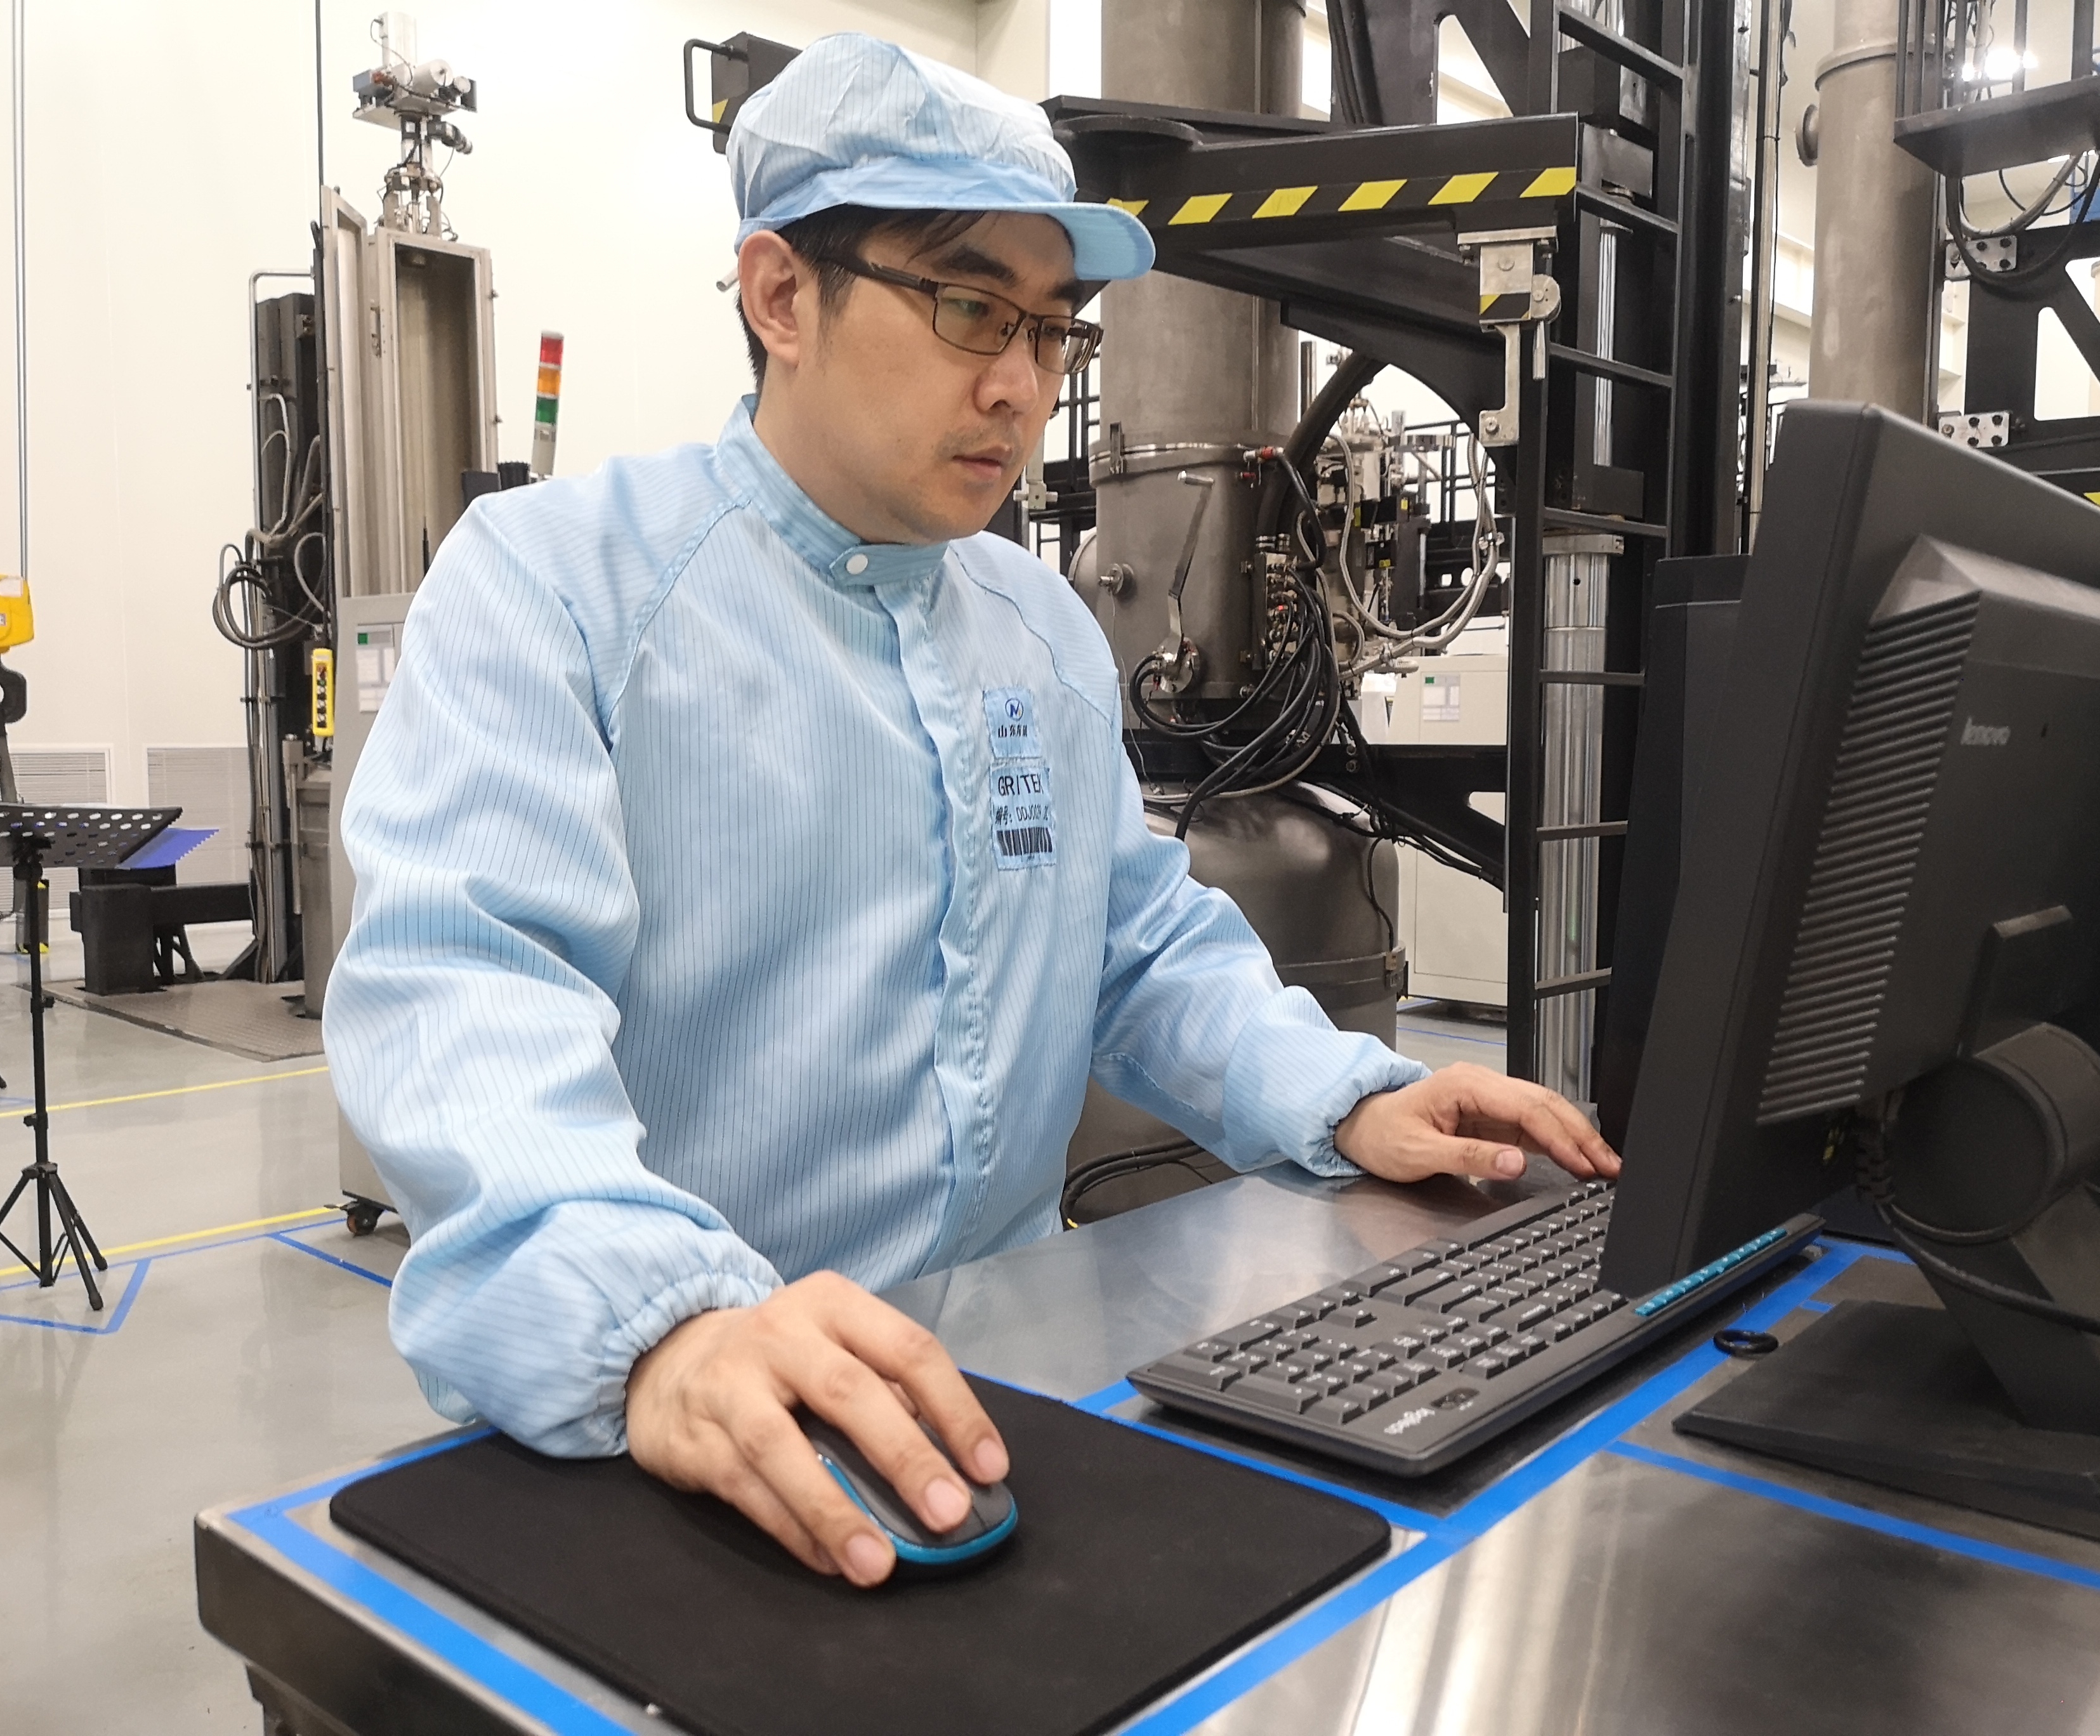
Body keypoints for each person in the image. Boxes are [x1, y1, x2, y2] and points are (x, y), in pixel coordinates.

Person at [324, 32, 1618, 1590]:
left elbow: (1131, 945)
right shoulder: (560, 586)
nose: (1021, 385)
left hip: (998, 1391)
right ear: (781, 295)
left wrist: (1342, 1098)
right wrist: (661, 1322)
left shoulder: (1038, 626)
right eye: (968, 310)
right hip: (688, 1417)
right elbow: (467, 998)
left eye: (1054, 330)